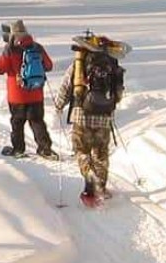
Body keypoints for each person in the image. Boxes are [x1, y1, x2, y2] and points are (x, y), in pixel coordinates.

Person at [53, 33, 125, 206]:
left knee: (81, 150)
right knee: (101, 153)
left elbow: (66, 87)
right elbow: (119, 93)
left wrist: (58, 106)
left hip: (81, 115)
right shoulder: (113, 65)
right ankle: (101, 186)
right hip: (104, 117)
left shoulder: (79, 64)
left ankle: (89, 175)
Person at [0, 20, 56, 159]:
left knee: (17, 122)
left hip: (17, 95)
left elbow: (0, 69)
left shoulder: (10, 49)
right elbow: (48, 66)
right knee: (37, 121)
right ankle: (45, 148)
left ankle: (18, 149)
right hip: (36, 92)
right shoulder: (37, 47)